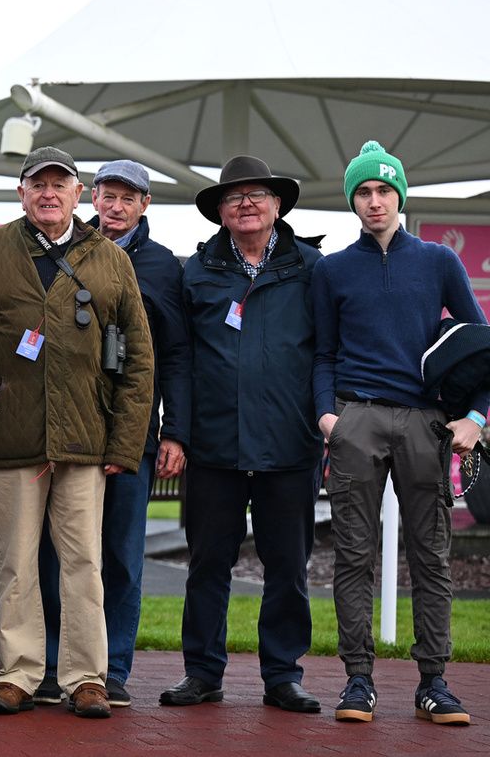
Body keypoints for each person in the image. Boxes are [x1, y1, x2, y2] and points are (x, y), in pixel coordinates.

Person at [0, 146, 154, 719]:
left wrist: (125, 443)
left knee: (83, 563)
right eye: (38, 184)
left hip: (84, 438)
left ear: (79, 194)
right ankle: (17, 673)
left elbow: (139, 358)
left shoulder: (110, 260)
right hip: (11, 434)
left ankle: (86, 677)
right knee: (14, 563)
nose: (48, 194)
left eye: (59, 185)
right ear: (21, 192)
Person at [314, 141, 483, 726]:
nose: (374, 201)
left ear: (400, 196)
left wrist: (476, 417)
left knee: (431, 557)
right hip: (356, 419)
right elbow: (322, 353)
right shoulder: (333, 269)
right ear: (352, 201)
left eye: (384, 190)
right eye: (363, 192)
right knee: (352, 556)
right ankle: (358, 680)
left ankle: (434, 682)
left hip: (424, 421)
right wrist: (327, 417)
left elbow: (480, 348)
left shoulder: (439, 262)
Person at [164, 155, 323, 714]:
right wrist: (177, 432)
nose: (246, 203)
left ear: (277, 205)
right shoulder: (196, 271)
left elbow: (327, 353)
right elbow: (179, 359)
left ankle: (283, 675)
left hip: (290, 445)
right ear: (220, 212)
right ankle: (202, 673)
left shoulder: (311, 267)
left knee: (288, 568)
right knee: (207, 565)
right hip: (214, 447)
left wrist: (325, 422)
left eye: (257, 194)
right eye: (234, 197)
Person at [35, 159, 190, 707]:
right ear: (90, 197)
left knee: (121, 555)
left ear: (145, 204)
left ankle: (112, 667)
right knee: (57, 552)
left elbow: (175, 356)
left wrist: (175, 432)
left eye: (129, 198)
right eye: (108, 195)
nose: (116, 207)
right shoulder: (63, 250)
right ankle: (53, 664)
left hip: (133, 432)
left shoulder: (163, 266)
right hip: (68, 428)